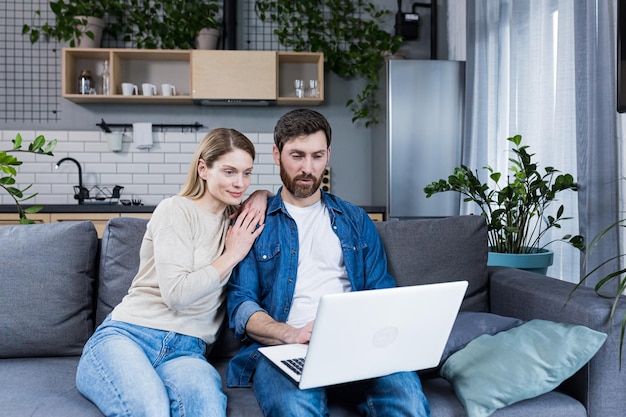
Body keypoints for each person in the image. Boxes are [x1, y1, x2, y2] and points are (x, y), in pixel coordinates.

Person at [226, 109, 431, 416]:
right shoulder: (255, 222)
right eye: (297, 155)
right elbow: (241, 304)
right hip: (284, 350)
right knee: (293, 409)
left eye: (317, 156)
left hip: (358, 348)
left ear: (328, 155)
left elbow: (381, 293)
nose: (308, 168)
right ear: (276, 154)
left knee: (409, 403)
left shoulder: (356, 220)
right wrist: (289, 334)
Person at [76, 128, 267, 417]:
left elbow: (284, 199)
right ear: (203, 168)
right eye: (229, 172)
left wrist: (263, 194)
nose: (240, 183)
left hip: (187, 351)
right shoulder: (176, 210)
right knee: (150, 408)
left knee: (207, 409)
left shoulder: (236, 221)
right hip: (129, 336)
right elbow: (177, 294)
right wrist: (232, 254)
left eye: (247, 173)